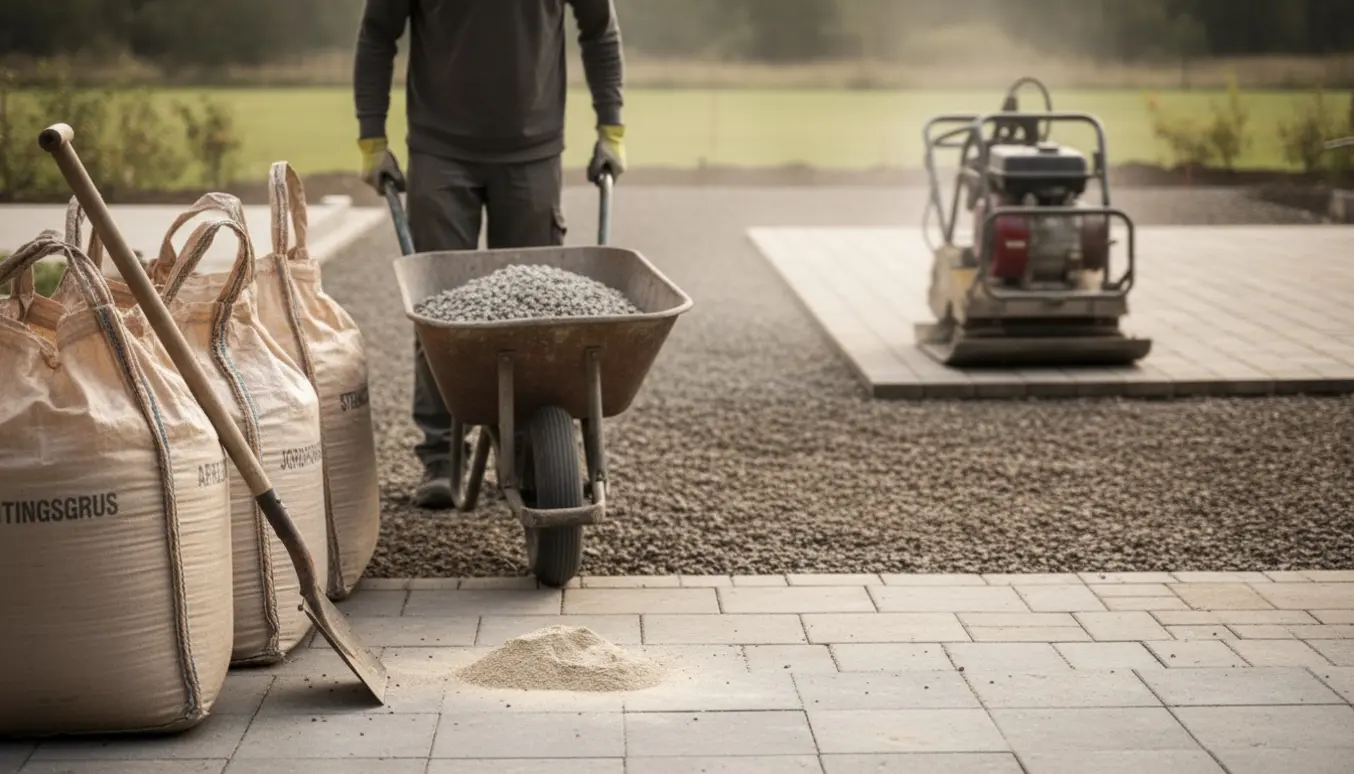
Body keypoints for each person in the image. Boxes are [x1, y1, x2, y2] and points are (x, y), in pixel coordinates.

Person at [353, 0, 627, 508]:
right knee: (438, 308)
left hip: (533, 152)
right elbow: (376, 35)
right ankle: (441, 456)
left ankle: (530, 450)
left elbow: (599, 31)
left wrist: (610, 129)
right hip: (440, 150)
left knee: (540, 312)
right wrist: (372, 138)